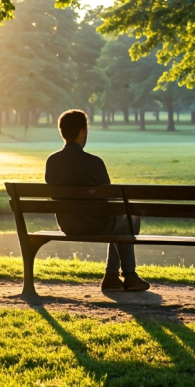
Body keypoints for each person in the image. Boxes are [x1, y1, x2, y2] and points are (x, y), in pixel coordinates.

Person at [45, 109, 150, 291]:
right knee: (129, 216)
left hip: (68, 224)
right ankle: (125, 275)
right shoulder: (94, 162)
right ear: (82, 131)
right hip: (96, 224)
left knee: (121, 220)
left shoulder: (52, 161)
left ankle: (113, 276)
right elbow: (108, 197)